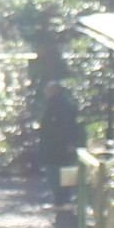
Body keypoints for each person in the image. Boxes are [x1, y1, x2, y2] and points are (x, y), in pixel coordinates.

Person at [39, 80, 84, 208]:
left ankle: (62, 199)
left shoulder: (59, 105)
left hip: (57, 146)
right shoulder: (61, 103)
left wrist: (69, 142)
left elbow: (66, 125)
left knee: (56, 172)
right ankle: (63, 198)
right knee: (62, 171)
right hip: (59, 145)